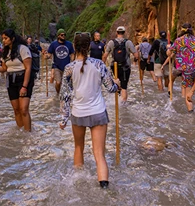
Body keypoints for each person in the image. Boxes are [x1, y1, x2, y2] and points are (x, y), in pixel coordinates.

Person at [59, 32, 119, 189]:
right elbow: (111, 88)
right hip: (98, 112)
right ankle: (104, 188)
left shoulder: (69, 68)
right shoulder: (99, 64)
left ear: (74, 46)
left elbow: (65, 95)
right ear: (89, 46)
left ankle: (78, 184)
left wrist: (64, 118)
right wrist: (117, 84)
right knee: (99, 154)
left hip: (78, 113)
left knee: (78, 147)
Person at [0, 29, 33, 131]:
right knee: (16, 110)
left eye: (6, 38)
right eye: (3, 38)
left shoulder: (23, 49)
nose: (3, 40)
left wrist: (24, 86)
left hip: (23, 78)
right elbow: (4, 68)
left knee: (24, 109)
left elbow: (28, 68)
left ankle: (28, 134)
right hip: (11, 80)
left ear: (12, 39)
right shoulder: (5, 52)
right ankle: (20, 132)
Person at [169, 23, 195, 112]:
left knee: (188, 90)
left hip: (186, 70)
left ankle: (190, 111)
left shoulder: (178, 40)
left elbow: (169, 53)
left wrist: (168, 48)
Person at [104, 26, 137, 101]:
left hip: (114, 67)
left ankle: (118, 97)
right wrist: (135, 59)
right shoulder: (128, 42)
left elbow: (105, 56)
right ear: (124, 33)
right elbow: (136, 55)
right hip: (125, 67)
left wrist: (103, 65)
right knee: (124, 86)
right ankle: (124, 104)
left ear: (116, 33)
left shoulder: (111, 42)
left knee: (116, 82)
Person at [48, 29, 74, 98]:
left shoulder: (69, 44)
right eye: (62, 35)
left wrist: (73, 62)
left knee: (67, 83)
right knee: (58, 82)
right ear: (58, 36)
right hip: (57, 66)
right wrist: (46, 56)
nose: (63, 36)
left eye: (64, 35)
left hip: (67, 67)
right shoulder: (53, 44)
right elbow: (49, 54)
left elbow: (72, 54)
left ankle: (65, 96)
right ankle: (58, 95)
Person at [152, 31, 171, 95]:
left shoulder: (156, 41)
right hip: (167, 62)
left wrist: (148, 59)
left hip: (158, 61)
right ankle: (167, 91)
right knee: (167, 76)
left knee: (159, 77)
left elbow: (151, 51)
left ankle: (161, 93)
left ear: (160, 35)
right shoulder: (169, 42)